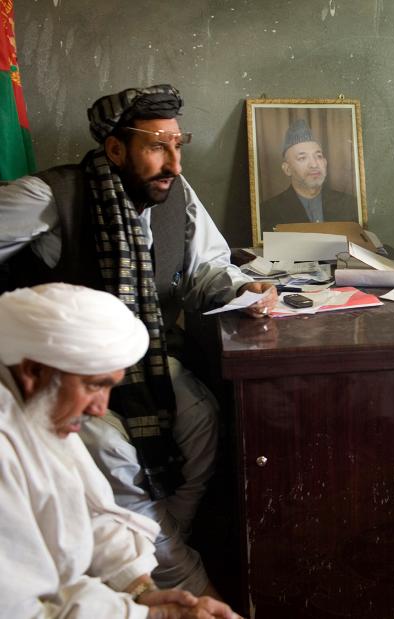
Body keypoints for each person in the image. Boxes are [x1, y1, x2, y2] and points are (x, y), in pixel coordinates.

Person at [0, 84, 276, 595]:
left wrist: (243, 289)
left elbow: (207, 270)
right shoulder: (52, 196)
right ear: (115, 148)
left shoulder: (177, 196)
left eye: (178, 143)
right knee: (116, 455)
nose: (173, 162)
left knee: (201, 423)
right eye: (156, 146)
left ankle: (147, 557)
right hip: (66, 373)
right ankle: (185, 585)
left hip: (148, 360)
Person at [0, 283, 238, 619]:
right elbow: (23, 610)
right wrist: (152, 615)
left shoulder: (40, 403)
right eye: (94, 385)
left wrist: (142, 591)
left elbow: (95, 512)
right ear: (34, 370)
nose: (100, 409)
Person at [259, 118, 359, 230]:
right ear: (287, 169)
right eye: (302, 158)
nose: (314, 165)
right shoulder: (268, 211)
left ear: (325, 163)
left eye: (318, 156)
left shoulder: (349, 204)